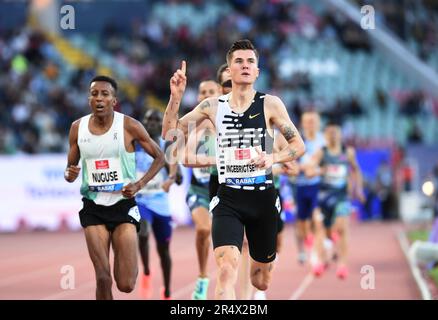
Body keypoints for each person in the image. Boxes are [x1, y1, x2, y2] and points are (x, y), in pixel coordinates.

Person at [162, 39, 305, 299]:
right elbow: (170, 133)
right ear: (230, 68)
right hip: (228, 197)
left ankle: (261, 270)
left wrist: (273, 159)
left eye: (250, 61)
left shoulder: (270, 104)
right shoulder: (213, 106)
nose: (245, 66)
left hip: (263, 197)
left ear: (258, 71)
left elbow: (298, 145)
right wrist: (175, 98)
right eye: (239, 61)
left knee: (260, 281)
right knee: (226, 270)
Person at [65, 75, 165, 300]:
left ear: (114, 100)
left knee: (126, 283)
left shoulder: (129, 125)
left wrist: (139, 184)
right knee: (102, 278)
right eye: (94, 94)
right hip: (93, 207)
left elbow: (160, 157)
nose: (99, 98)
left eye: (104, 94)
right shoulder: (77, 128)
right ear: (89, 99)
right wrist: (69, 173)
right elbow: (69, 170)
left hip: (123, 207)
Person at [308, 120, 364, 278]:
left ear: (340, 134)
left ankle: (342, 265)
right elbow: (309, 170)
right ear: (325, 135)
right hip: (324, 196)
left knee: (342, 227)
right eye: (330, 132)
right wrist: (319, 170)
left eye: (335, 132)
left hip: (341, 196)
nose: (333, 135)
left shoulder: (348, 152)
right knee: (321, 230)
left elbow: (356, 170)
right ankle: (320, 259)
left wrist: (358, 188)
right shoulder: (321, 152)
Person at [136, 109, 180, 300]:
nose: (152, 123)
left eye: (155, 119)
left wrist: (174, 176)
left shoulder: (166, 146)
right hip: (141, 200)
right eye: (148, 119)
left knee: (164, 250)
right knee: (143, 232)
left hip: (161, 203)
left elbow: (177, 177)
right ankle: (146, 271)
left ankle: (168, 290)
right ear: (143, 123)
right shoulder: (134, 145)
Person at [184, 79, 221, 300]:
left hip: (222, 190)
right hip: (198, 190)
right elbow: (181, 154)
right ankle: (202, 276)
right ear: (198, 98)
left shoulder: (229, 119)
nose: (207, 95)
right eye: (203, 92)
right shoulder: (192, 124)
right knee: (203, 230)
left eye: (211, 91)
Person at [289, 111, 325, 265]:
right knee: (301, 221)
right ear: (302, 124)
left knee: (317, 218)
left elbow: (328, 164)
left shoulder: (323, 141)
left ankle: (316, 252)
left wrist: (315, 170)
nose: (310, 124)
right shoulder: (297, 140)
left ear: (318, 123)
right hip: (299, 185)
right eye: (307, 122)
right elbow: (291, 161)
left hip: (317, 185)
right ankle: (302, 249)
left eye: (313, 121)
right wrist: (303, 168)